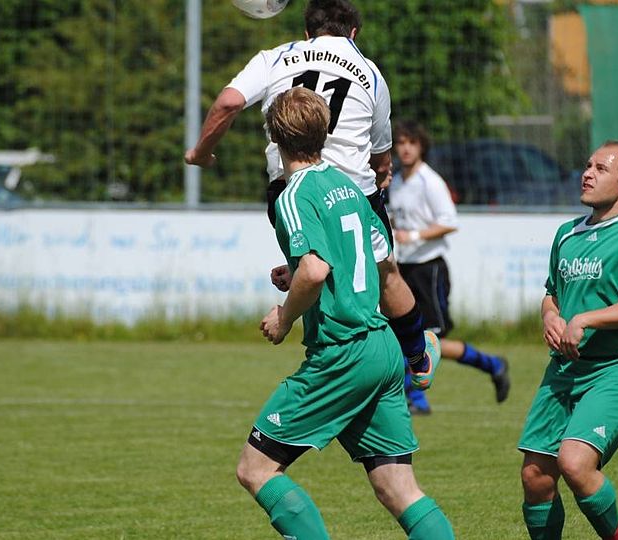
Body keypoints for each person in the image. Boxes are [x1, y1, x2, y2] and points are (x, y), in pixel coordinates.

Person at [185, 0, 437, 396]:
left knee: (315, 270)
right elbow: (381, 155)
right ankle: (418, 360)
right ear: (354, 33)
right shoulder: (370, 72)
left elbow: (229, 102)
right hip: (352, 191)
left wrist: (201, 152)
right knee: (385, 273)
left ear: (307, 32)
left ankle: (327, 360)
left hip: (290, 189)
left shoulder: (275, 57)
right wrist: (382, 175)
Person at [241, 87, 454, 539]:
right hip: (382, 347)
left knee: (255, 469)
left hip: (342, 352)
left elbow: (316, 270)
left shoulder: (294, 196)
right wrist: (296, 269)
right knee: (398, 488)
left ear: (274, 138)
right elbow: (381, 263)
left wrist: (284, 317)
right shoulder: (348, 187)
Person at [517, 140, 618, 540]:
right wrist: (551, 316)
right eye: (588, 166)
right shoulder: (567, 234)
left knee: (574, 463)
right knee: (535, 475)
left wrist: (584, 319)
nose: (587, 173)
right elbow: (551, 294)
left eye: (601, 169)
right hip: (565, 368)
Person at [386, 120, 511, 415]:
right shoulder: (397, 181)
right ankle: (420, 399)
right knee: (404, 335)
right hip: (404, 267)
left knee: (431, 339)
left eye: (411, 142)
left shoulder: (430, 181)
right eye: (400, 143)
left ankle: (489, 365)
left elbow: (449, 222)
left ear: (421, 146)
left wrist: (413, 235)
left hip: (429, 269)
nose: (405, 149)